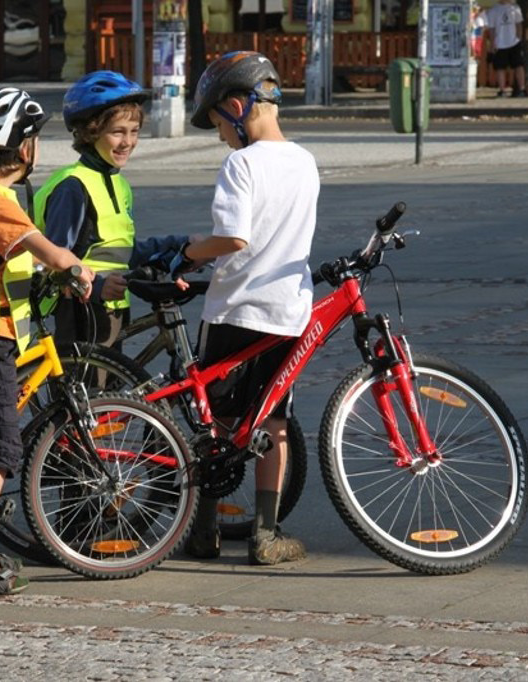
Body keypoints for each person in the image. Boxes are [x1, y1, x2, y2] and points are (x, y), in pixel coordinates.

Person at [0, 87, 94, 594]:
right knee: (2, 448)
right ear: (24, 149)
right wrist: (74, 266)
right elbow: (44, 248)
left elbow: (6, 266)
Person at [177, 51, 317, 565]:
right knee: (273, 423)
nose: (219, 135)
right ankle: (265, 534)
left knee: (215, 421)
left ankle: (205, 530)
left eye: (217, 122)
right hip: (287, 315)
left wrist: (187, 251)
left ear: (238, 106)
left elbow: (233, 238)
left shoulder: (241, 163)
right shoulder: (304, 161)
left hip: (235, 310)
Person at [33, 71, 191, 350]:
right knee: (91, 393)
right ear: (90, 132)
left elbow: (120, 249)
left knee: (113, 391)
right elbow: (51, 261)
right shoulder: (73, 186)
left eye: (134, 132)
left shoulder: (119, 183)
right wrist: (99, 286)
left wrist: (178, 246)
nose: (127, 142)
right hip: (80, 309)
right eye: (117, 132)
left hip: (111, 306)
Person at [482, 0, 526, 97]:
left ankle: (522, 89)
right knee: (500, 67)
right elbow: (492, 29)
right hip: (500, 42)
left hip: (514, 41)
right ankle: (502, 90)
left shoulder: (515, 8)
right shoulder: (494, 10)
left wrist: (518, 38)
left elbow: (519, 24)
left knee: (518, 65)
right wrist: (493, 43)